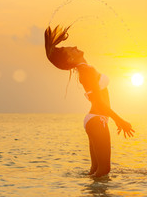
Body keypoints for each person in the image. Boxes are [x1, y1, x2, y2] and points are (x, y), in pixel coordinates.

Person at [44, 25, 135, 177]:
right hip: (97, 120)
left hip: (96, 120)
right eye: (71, 49)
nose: (75, 46)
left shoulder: (85, 69)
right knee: (103, 170)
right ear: (71, 58)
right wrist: (120, 120)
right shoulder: (86, 72)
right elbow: (98, 102)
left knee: (95, 170)